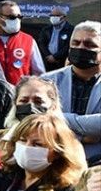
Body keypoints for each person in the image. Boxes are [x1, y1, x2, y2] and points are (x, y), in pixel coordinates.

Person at [42, 21, 101, 163]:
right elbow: (39, 119)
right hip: (54, 162)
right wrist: (85, 135)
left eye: (89, 45)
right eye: (76, 43)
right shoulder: (46, 82)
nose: (80, 48)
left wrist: (56, 119)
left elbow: (49, 118)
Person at [0, 0, 44, 85]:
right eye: (12, 17)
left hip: (19, 95)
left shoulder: (28, 40)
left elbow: (39, 74)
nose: (16, 20)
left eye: (19, 17)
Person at [38, 6, 73, 71]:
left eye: (56, 15)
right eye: (51, 15)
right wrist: (48, 56)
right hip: (47, 62)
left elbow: (68, 45)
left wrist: (55, 57)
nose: (53, 17)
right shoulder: (46, 29)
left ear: (63, 17)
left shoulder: (70, 30)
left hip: (62, 63)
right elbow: (41, 43)